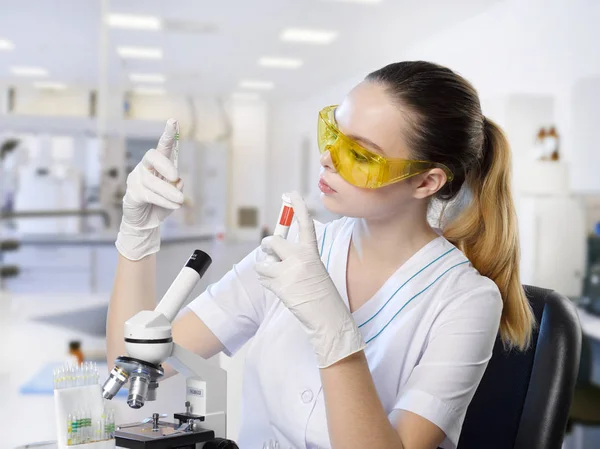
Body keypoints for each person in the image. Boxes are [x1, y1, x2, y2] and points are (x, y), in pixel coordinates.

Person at [107, 61, 535, 449]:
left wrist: (335, 332)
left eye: (361, 154)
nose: (328, 158)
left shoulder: (466, 301)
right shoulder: (288, 253)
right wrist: (138, 239)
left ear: (426, 182)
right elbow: (136, 371)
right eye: (334, 133)